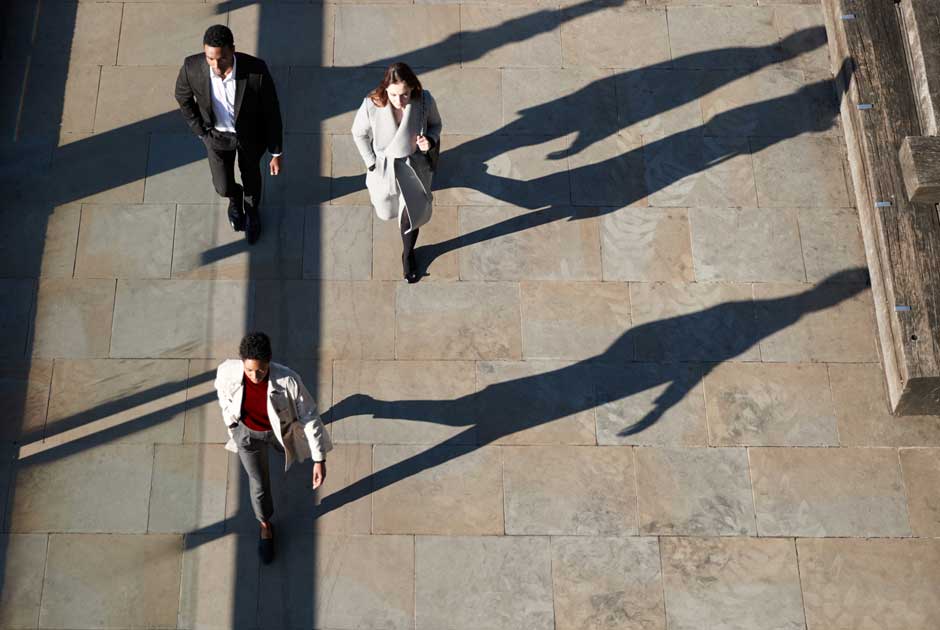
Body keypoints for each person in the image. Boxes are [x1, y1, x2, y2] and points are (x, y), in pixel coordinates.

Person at [214, 332, 331, 563]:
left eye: (260, 370)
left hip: (280, 431)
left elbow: (309, 415)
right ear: (242, 363)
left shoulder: (288, 380)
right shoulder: (227, 371)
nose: (255, 376)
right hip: (247, 435)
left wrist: (319, 459)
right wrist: (230, 421)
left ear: (269, 363)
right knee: (258, 484)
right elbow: (222, 392)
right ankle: (265, 524)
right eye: (249, 371)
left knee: (296, 448)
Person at [174, 25, 283, 244]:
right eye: (210, 59)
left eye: (221, 59)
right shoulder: (192, 67)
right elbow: (182, 97)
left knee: (251, 177)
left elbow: (272, 111)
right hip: (215, 137)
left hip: (249, 137)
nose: (215, 65)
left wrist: (276, 152)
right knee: (222, 186)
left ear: (232, 50)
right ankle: (235, 198)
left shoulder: (256, 70)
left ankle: (252, 214)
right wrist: (199, 130)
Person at [352, 62, 442, 282]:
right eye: (393, 95)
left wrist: (429, 141)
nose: (399, 101)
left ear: (412, 88)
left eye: (404, 95)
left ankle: (408, 254)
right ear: (385, 89)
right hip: (384, 168)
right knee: (385, 209)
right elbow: (358, 133)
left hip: (415, 166)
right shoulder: (371, 105)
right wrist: (371, 162)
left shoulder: (424, 101)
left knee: (411, 216)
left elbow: (436, 125)